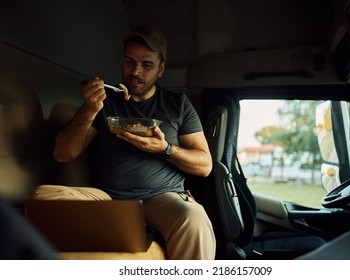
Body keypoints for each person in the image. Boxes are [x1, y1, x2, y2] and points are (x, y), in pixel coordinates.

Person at [30, 24, 216, 260]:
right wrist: (89, 109)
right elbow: (63, 154)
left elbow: (205, 165)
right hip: (110, 200)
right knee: (43, 196)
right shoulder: (105, 102)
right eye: (129, 61)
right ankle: (123, 232)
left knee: (194, 217)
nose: (135, 71)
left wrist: (165, 149)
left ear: (161, 69)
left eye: (146, 65)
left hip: (162, 198)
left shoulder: (177, 104)